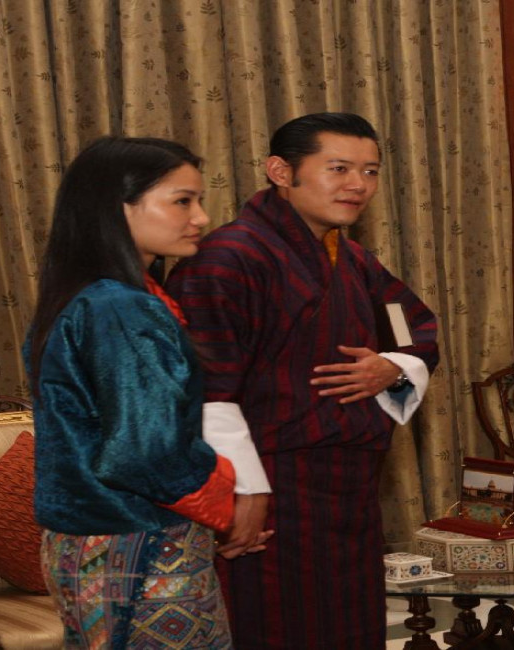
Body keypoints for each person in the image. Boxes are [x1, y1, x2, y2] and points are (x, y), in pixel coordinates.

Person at [167, 113, 440, 649]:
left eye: (370, 171)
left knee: (349, 625)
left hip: (350, 482)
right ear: (281, 172)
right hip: (271, 482)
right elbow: (206, 393)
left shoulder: (353, 259)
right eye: (339, 168)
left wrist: (393, 365)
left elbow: (415, 328)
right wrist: (244, 491)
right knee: (274, 625)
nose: (358, 185)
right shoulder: (226, 259)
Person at [26, 137, 246, 648]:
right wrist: (223, 489)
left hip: (88, 542)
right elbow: (144, 452)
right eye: (182, 201)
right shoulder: (122, 306)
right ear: (117, 207)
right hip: (141, 546)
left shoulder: (86, 295)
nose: (201, 217)